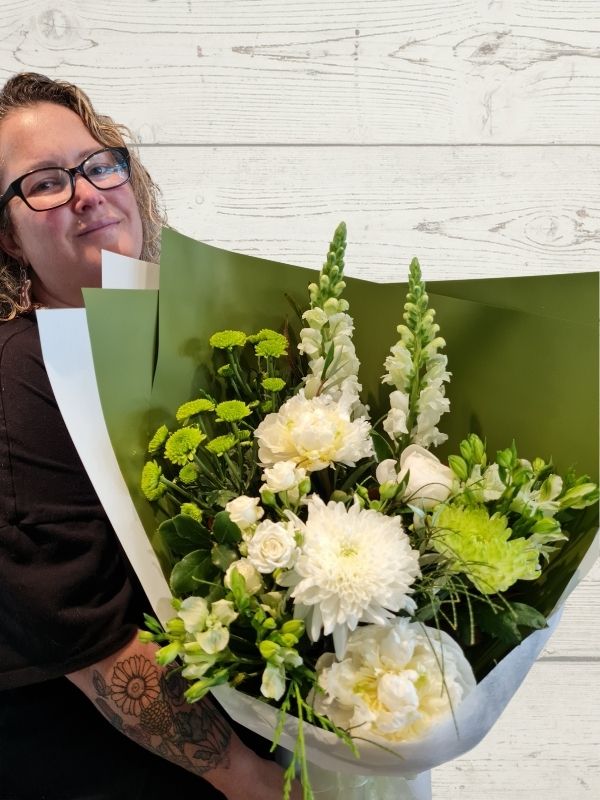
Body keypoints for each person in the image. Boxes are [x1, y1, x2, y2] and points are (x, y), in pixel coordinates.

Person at [0, 72, 300, 800]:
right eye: (43, 183)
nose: (86, 192)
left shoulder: (203, 340)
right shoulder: (18, 383)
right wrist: (250, 779)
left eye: (98, 164)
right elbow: (90, 638)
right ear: (7, 239)